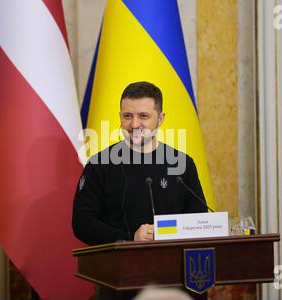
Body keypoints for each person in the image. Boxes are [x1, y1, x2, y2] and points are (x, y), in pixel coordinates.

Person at [72, 81, 208, 246]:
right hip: (117, 265)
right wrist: (129, 238)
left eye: (143, 116)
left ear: (161, 118)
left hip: (173, 264)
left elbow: (198, 219)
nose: (134, 124)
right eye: (127, 116)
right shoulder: (99, 164)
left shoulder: (182, 164)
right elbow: (82, 223)